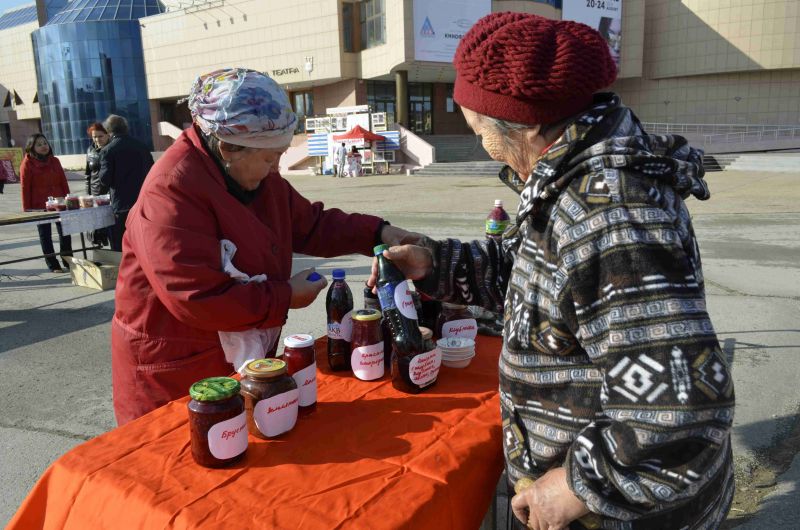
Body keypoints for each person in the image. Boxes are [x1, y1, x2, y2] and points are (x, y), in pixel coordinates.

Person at [370, 13, 734, 530]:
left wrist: (580, 484)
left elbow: (682, 408)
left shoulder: (608, 217)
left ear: (523, 126)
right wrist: (436, 263)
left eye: (478, 128)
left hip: (619, 515)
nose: (480, 143)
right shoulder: (570, 182)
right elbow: (539, 281)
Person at [111, 68, 416, 425]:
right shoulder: (170, 191)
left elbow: (312, 224)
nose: (277, 167)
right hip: (175, 371)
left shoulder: (256, 176)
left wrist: (379, 233)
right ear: (227, 147)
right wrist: (286, 296)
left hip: (233, 357)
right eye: (270, 157)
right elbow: (196, 297)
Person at [97, 114, 154, 251]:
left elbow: (105, 179)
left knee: (121, 242)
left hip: (121, 203)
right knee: (142, 241)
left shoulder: (108, 151)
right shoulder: (142, 146)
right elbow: (152, 170)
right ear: (126, 128)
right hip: (142, 200)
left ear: (109, 131)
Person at [20, 133, 73, 273]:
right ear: (32, 147)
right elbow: (25, 187)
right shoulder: (27, 163)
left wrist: (68, 199)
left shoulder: (54, 160)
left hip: (60, 201)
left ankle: (68, 260)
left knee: (65, 232)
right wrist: (27, 208)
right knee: (45, 235)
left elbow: (63, 181)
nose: (43, 146)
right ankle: (53, 264)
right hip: (40, 204)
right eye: (39, 144)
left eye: (45, 143)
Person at [84, 122, 110, 247]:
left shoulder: (112, 148)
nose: (97, 139)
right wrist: (88, 194)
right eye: (94, 137)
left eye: (100, 136)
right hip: (95, 192)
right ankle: (99, 251)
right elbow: (88, 174)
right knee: (96, 226)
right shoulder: (90, 150)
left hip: (109, 192)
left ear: (107, 135)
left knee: (110, 225)